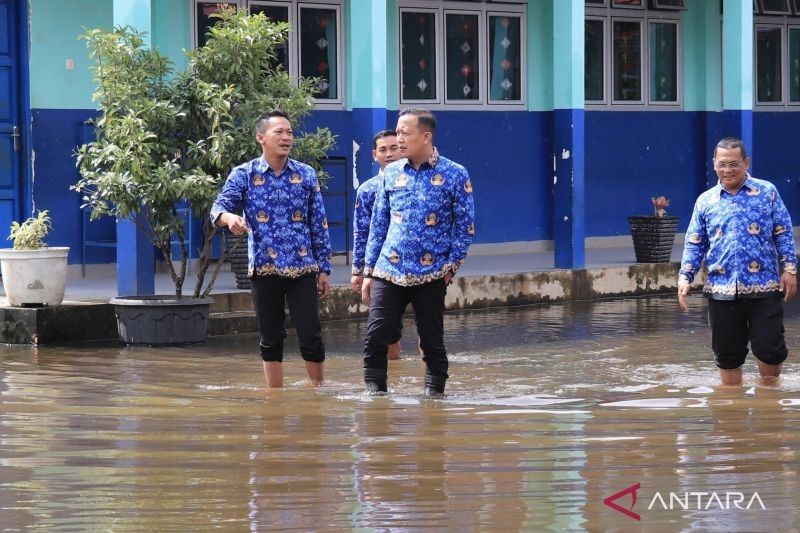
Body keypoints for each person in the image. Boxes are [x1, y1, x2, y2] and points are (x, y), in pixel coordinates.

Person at [211, 110, 332, 388]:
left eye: (289, 132)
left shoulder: (306, 174)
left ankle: (319, 389)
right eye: (279, 132)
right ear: (261, 137)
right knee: (271, 336)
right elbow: (218, 208)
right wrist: (230, 219)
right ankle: (274, 396)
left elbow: (318, 223)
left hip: (303, 267)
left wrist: (324, 268)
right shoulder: (244, 174)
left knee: (310, 333)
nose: (286, 137)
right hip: (264, 268)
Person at [361, 108, 475, 395]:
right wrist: (368, 271)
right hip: (389, 270)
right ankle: (375, 397)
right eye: (397, 131)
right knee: (376, 336)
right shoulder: (391, 174)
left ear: (426, 136)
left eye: (405, 133)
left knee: (432, 341)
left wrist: (449, 269)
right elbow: (378, 224)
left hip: (431, 272)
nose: (399, 138)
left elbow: (465, 228)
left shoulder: (454, 174)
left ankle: (434, 398)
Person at [678, 137, 797, 386]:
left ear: (746, 163)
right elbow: (695, 242)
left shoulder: (767, 192)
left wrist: (789, 269)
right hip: (721, 289)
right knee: (727, 354)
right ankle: (731, 411)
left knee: (770, 348)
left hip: (764, 286)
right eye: (722, 164)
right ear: (714, 164)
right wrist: (685, 278)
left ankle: (769, 402)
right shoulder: (706, 201)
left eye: (734, 164)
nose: (728, 170)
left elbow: (783, 232)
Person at [351, 130, 403, 360]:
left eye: (394, 148)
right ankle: (394, 376)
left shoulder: (421, 182)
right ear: (374, 155)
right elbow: (362, 232)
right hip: (381, 267)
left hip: (416, 262)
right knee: (384, 328)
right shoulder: (367, 190)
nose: (389, 154)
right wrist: (358, 271)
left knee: (428, 328)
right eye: (383, 149)